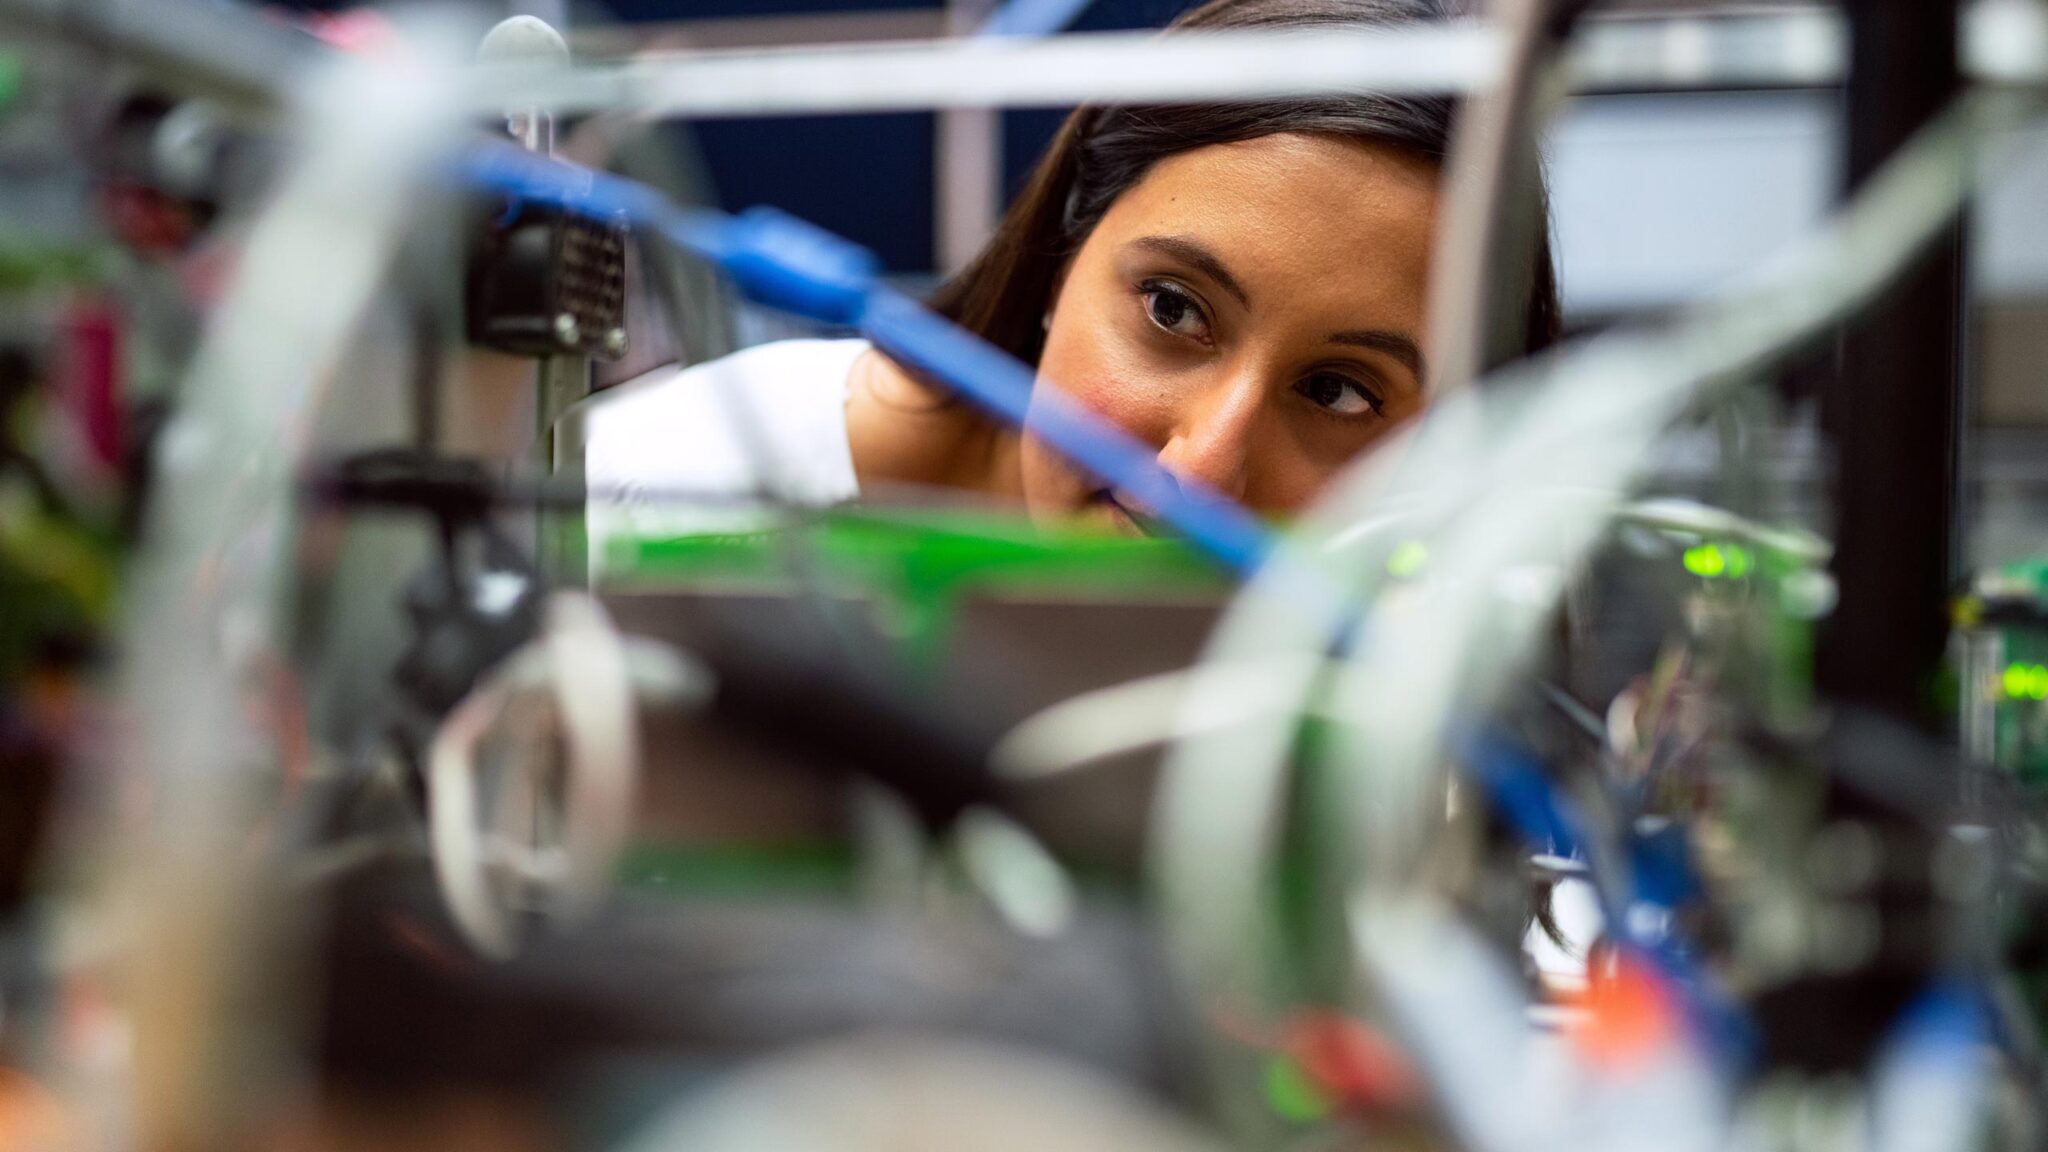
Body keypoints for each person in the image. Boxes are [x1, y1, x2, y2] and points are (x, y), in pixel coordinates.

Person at [585, 0, 1561, 548]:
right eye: (1173, 311)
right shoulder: (649, 507)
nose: (1201, 469)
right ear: (1060, 257)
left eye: (1336, 391)